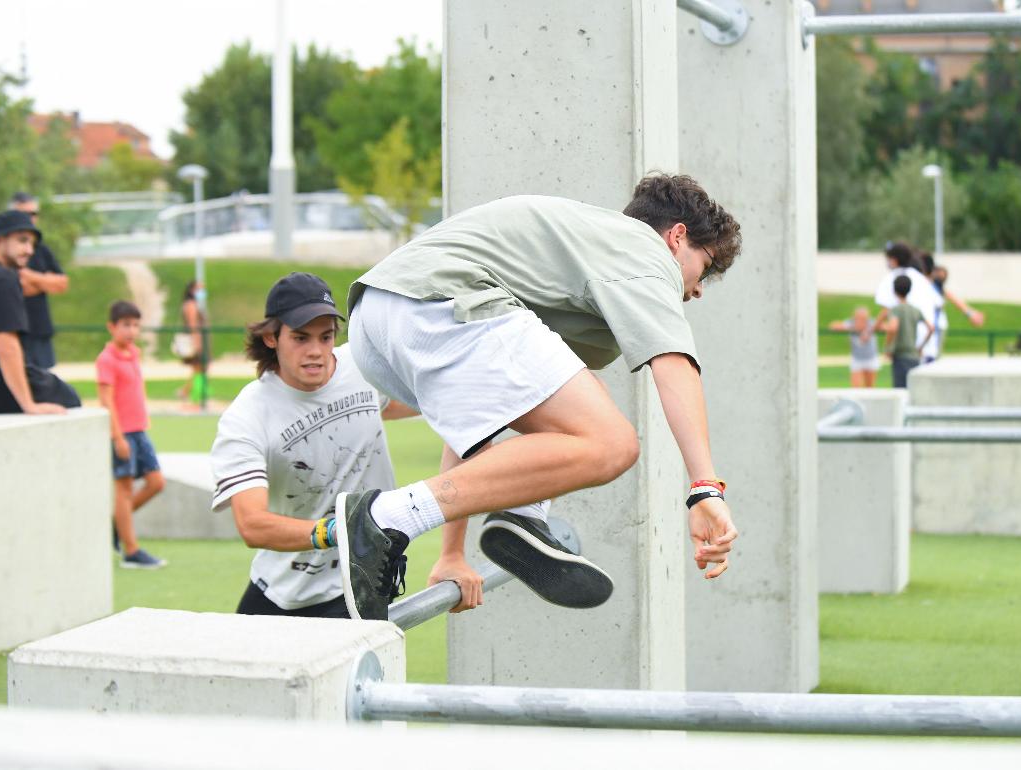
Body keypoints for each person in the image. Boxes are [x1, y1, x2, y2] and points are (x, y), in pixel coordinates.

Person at [315, 173, 743, 621]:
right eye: (706, 268)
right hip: (436, 303)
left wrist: (452, 555)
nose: (696, 290)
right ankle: (385, 517)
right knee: (611, 444)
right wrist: (703, 489)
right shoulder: (643, 250)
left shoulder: (571, 263)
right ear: (677, 237)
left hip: (379, 322)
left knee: (573, 415)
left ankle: (521, 514)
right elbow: (673, 365)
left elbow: (476, 424)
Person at [209, 273, 481, 617]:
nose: (316, 352)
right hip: (282, 597)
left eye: (326, 337)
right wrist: (343, 531)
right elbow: (253, 524)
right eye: (300, 338)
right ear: (270, 338)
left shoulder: (362, 367)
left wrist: (452, 554)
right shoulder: (246, 416)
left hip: (362, 588)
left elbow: (449, 404)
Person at [0, 210, 81, 414]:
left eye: (32, 244)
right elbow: (6, 345)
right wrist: (28, 405)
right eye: (22, 241)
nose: (29, 250)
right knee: (70, 398)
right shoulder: (2, 278)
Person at [97, 300, 167, 569]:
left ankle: (116, 523)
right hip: (122, 433)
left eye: (136, 325)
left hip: (139, 429)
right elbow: (107, 400)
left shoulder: (133, 353)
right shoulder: (106, 360)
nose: (131, 330)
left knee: (156, 482)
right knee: (124, 490)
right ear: (112, 327)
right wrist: (117, 438)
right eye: (126, 325)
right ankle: (131, 550)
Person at [9, 192, 69, 369]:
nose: (30, 218)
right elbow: (17, 286)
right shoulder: (6, 250)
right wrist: (45, 282)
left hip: (40, 331)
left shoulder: (42, 249)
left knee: (47, 389)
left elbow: (62, 283)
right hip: (15, 332)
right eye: (24, 214)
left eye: (33, 214)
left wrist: (30, 276)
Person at [866, 241, 940, 363]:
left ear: (893, 260)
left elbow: (887, 311)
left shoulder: (892, 279)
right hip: (928, 343)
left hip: (907, 346)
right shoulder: (922, 279)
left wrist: (873, 332)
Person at [925, 263, 986, 363]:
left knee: (933, 355)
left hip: (937, 326)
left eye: (944, 275)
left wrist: (971, 314)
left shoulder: (939, 289)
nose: (942, 277)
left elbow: (957, 302)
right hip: (929, 324)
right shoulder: (927, 286)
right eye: (940, 274)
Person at [884, 275, 932, 389]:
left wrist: (888, 348)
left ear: (894, 290)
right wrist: (920, 347)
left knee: (900, 390)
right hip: (914, 355)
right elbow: (931, 328)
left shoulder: (896, 310)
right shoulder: (915, 310)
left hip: (901, 356)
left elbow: (893, 328)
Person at [175, 280, 210, 403]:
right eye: (199, 288)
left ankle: (190, 392)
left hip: (199, 339)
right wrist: (197, 343)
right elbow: (193, 325)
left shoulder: (193, 304)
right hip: (196, 340)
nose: (202, 291)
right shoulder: (191, 305)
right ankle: (195, 396)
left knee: (199, 368)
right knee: (199, 367)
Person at [829, 306, 880, 387]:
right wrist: (852, 328)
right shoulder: (851, 323)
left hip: (871, 357)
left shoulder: (871, 323)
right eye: (859, 318)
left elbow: (885, 326)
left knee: (870, 387)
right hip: (857, 359)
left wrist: (869, 330)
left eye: (864, 318)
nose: (862, 320)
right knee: (855, 387)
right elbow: (833, 326)